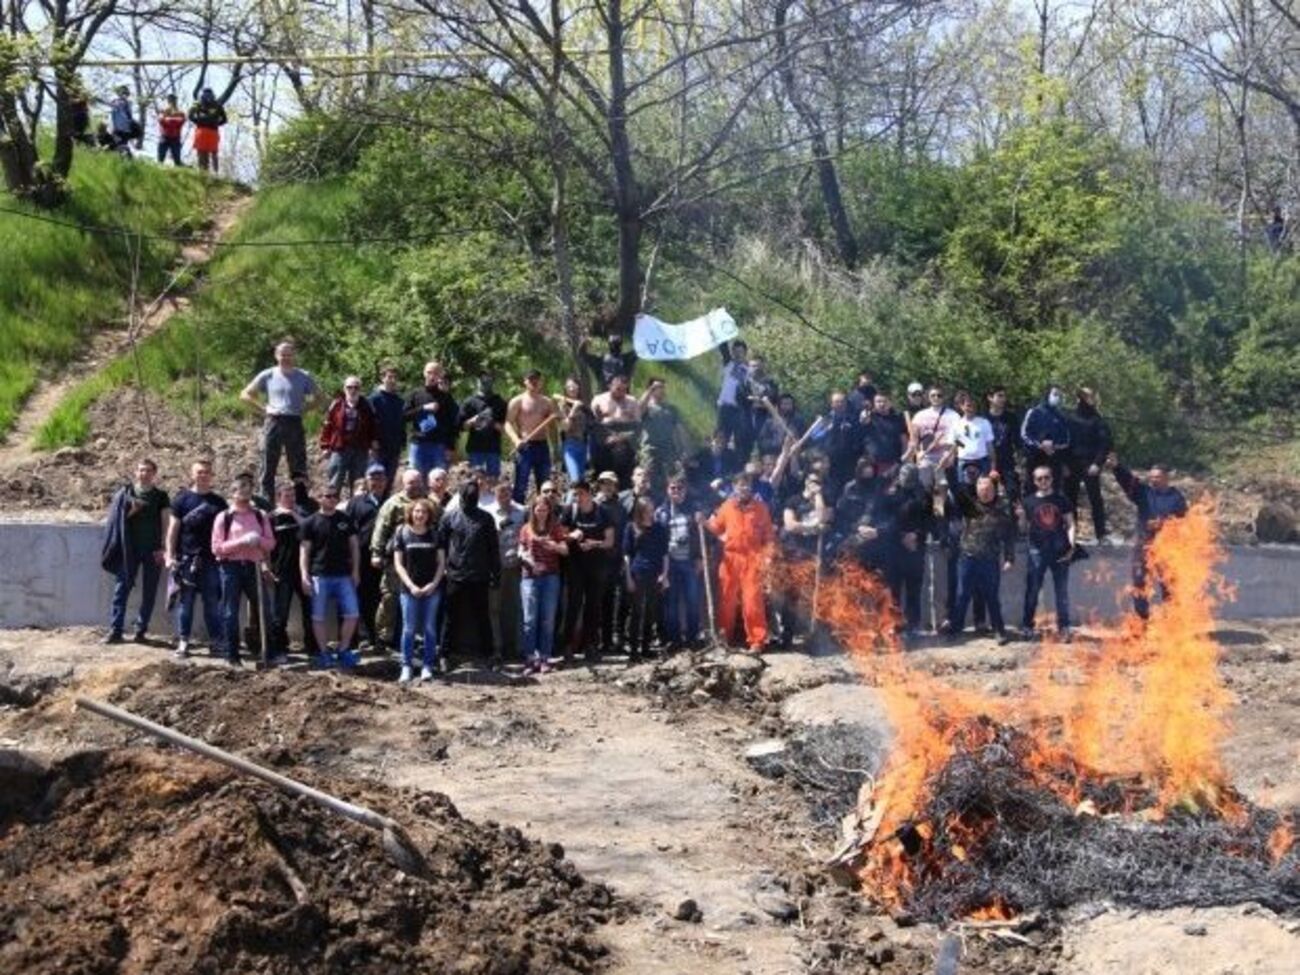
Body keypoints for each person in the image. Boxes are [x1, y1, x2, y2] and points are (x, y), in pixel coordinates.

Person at [1108, 454, 1188, 619]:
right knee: (1139, 583)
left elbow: (1183, 522)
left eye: (1157, 477)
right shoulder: (1143, 492)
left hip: (1167, 548)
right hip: (1144, 547)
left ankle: (1170, 621)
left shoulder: (1177, 498)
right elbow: (1128, 481)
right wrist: (1117, 467)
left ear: (1166, 477)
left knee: (1169, 585)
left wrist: (1164, 524)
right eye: (1151, 477)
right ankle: (1142, 619)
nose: (1153, 480)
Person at [241, 341, 319, 503]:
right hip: (273, 421)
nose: (286, 358)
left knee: (298, 464)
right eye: (282, 354)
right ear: (276, 356)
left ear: (294, 356)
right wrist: (263, 409)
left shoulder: (303, 376)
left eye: (289, 354)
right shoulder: (268, 374)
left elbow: (321, 397)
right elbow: (245, 394)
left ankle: (300, 501)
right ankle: (266, 502)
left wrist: (304, 409)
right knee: (267, 462)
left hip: (294, 421)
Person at [102, 459, 170, 645]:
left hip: (152, 550)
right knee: (121, 590)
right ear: (136, 472)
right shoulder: (125, 494)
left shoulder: (161, 496)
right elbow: (117, 520)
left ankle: (141, 631)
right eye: (141, 470)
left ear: (154, 473)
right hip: (128, 550)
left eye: (148, 470)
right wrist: (133, 510)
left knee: (149, 592)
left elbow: (166, 522)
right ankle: (115, 631)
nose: (144, 474)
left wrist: (164, 548)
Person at [707, 473, 774, 653]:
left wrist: (767, 557)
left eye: (746, 485)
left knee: (752, 601)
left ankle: (757, 641)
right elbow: (716, 527)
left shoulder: (761, 508)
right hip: (730, 559)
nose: (743, 488)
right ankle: (724, 638)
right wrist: (705, 522)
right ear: (734, 488)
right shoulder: (727, 507)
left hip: (753, 559)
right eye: (739, 485)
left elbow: (768, 536)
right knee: (726, 600)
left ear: (750, 487)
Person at [211, 477, 275, 666]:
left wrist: (258, 541)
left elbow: (271, 543)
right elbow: (216, 548)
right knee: (230, 611)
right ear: (233, 493)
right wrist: (242, 542)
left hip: (254, 566)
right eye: (240, 489)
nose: (245, 493)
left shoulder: (259, 516)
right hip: (230, 568)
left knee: (264, 610)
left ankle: (266, 653)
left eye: (248, 489)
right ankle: (232, 655)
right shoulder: (224, 517)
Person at [166, 460, 227, 658]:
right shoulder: (181, 500)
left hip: (212, 561)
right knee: (186, 603)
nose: (204, 475)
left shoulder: (219, 503)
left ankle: (217, 642)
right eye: (200, 472)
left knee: (212, 603)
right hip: (186, 560)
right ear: (192, 475)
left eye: (207, 472)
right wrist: (169, 555)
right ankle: (183, 641)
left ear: (212, 475)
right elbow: (172, 531)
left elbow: (226, 531)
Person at [947, 475, 1016, 644]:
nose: (984, 492)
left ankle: (999, 631)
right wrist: (949, 468)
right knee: (962, 595)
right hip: (967, 558)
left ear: (994, 490)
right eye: (981, 488)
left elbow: (1009, 537)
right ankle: (956, 630)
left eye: (987, 488)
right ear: (976, 490)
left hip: (989, 561)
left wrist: (1009, 558)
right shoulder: (971, 506)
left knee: (992, 597)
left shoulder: (1002, 509)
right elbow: (955, 487)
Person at [300, 484, 362, 668]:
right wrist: (304, 575)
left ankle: (343, 650)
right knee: (318, 617)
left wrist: (356, 571)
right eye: (328, 496)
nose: (332, 499)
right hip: (319, 575)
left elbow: (354, 547)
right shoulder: (309, 522)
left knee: (352, 614)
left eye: (335, 496)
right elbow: (304, 551)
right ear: (319, 498)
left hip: (344, 575)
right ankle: (324, 653)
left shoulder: (345, 519)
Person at [438, 479, 501, 663]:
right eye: (468, 494)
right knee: (450, 617)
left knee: (483, 616)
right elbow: (440, 545)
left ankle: (489, 654)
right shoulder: (449, 517)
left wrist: (495, 574)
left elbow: (493, 549)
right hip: (455, 575)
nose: (471, 497)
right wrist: (441, 570)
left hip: (479, 575)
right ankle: (444, 654)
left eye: (474, 495)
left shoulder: (486, 518)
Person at [371, 469, 426, 651]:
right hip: (396, 560)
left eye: (418, 482)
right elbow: (381, 529)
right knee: (390, 598)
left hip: (421, 562)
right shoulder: (392, 504)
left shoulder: (428, 503)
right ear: (403, 484)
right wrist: (376, 553)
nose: (415, 486)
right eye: (411, 483)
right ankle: (383, 638)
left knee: (418, 600)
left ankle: (416, 639)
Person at [392, 498, 446, 683]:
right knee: (408, 629)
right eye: (416, 511)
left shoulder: (435, 534)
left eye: (423, 512)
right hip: (409, 590)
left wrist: (434, 584)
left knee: (430, 628)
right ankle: (406, 665)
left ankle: (427, 666)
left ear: (428, 514)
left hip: (432, 590)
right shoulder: (402, 533)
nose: (419, 515)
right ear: (411, 513)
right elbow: (398, 564)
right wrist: (411, 586)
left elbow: (441, 563)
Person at [561, 479, 615, 661]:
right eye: (574, 494)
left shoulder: (602, 513)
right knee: (573, 605)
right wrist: (571, 536)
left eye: (580, 494)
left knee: (593, 606)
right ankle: (567, 645)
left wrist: (594, 544)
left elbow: (610, 541)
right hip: (575, 566)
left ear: (589, 493)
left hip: (597, 566)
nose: (577, 498)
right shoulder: (570, 511)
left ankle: (590, 645)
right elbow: (561, 535)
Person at [1020, 466, 1076, 641]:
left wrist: (1071, 546)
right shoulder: (1027, 501)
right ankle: (1027, 626)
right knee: (1032, 590)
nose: (1043, 481)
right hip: (1037, 551)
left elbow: (1071, 524)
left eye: (1046, 477)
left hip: (1060, 551)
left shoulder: (1061, 499)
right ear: (1034, 481)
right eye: (1039, 479)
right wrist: (1020, 517)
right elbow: (1023, 529)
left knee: (1062, 592)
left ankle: (1064, 627)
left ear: (1052, 479)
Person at [266, 482, 318, 662]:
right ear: (278, 497)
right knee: (280, 613)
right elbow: (265, 547)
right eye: (286, 496)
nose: (290, 499)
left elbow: (310, 530)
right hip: (282, 571)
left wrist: (293, 514)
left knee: (309, 610)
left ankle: (312, 648)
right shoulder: (271, 518)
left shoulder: (303, 515)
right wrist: (267, 568)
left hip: (304, 571)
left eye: (292, 496)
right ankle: (280, 649)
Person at [779, 472, 831, 650]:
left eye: (818, 482)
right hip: (795, 553)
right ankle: (787, 635)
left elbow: (823, 517)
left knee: (816, 595)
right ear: (805, 482)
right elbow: (790, 525)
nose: (814, 484)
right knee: (792, 595)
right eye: (811, 481)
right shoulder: (793, 501)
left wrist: (818, 496)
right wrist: (811, 527)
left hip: (814, 553)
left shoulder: (822, 500)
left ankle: (815, 634)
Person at [519, 493, 569, 674]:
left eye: (545, 509)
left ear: (550, 510)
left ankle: (545, 657)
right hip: (530, 576)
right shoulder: (526, 528)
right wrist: (527, 558)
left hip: (550, 576)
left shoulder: (555, 527)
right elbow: (521, 549)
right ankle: (530, 657)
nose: (541, 513)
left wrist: (553, 545)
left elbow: (565, 550)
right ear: (533, 510)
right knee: (529, 619)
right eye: (538, 509)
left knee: (548, 619)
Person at [656, 476, 702, 649]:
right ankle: (674, 639)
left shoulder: (694, 510)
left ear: (685, 490)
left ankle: (692, 638)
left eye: (680, 488)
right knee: (671, 602)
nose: (676, 491)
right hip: (670, 564)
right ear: (668, 490)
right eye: (673, 488)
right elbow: (658, 539)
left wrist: (699, 558)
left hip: (690, 562)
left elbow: (699, 536)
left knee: (692, 601)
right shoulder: (661, 512)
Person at [482, 480, 525, 664]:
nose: (504, 495)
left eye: (507, 491)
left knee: (516, 606)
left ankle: (516, 647)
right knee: (494, 608)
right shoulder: (487, 513)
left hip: (516, 566)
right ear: (494, 493)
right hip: (495, 566)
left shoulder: (522, 512)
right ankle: (497, 648)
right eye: (500, 492)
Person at [345, 464, 388, 648]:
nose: (376, 482)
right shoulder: (356, 502)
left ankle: (383, 637)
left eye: (380, 478)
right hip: (361, 558)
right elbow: (347, 530)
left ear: (385, 481)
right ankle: (364, 636)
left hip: (387, 558)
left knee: (383, 597)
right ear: (367, 480)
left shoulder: (391, 500)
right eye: (373, 478)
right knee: (362, 596)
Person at [624, 497, 669, 661]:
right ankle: (634, 650)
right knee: (636, 612)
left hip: (655, 574)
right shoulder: (631, 527)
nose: (650, 512)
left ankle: (645, 648)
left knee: (651, 611)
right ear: (640, 510)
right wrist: (628, 577)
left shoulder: (659, 528)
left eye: (652, 508)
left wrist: (664, 574)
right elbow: (627, 555)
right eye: (647, 509)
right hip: (638, 573)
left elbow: (664, 554)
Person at [1065, 387, 1112, 542]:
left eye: (1091, 396)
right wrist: (1064, 464)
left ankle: (1101, 534)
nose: (1089, 400)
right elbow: (1064, 443)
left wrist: (1097, 464)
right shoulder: (1069, 418)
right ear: (1079, 399)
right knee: (1070, 499)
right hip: (1071, 464)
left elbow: (1105, 444)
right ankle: (1072, 534)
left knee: (1096, 500)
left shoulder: (1097, 420)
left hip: (1090, 465)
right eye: (1086, 397)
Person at [319, 376, 378, 494]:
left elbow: (373, 426)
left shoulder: (367, 406)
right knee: (334, 482)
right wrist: (325, 446)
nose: (353, 390)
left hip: (360, 449)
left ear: (360, 389)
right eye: (349, 387)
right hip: (339, 448)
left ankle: (355, 509)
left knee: (358, 484)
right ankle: (331, 509)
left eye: (356, 387)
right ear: (344, 388)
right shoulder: (336, 404)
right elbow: (327, 426)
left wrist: (373, 443)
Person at [505, 369, 557, 502]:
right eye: (530, 379)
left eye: (537, 379)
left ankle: (545, 514)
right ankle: (518, 516)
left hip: (542, 446)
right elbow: (508, 424)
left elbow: (552, 426)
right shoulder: (517, 401)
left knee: (544, 484)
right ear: (525, 382)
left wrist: (555, 448)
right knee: (520, 484)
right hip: (525, 447)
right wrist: (516, 440)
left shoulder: (547, 402)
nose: (534, 382)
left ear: (541, 382)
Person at [404, 361, 460, 478]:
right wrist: (423, 408)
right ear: (424, 373)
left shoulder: (446, 396)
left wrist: (451, 447)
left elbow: (454, 422)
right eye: (429, 372)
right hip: (418, 444)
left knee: (437, 481)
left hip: (439, 445)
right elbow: (404, 416)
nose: (432, 376)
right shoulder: (415, 393)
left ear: (440, 375)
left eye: (436, 373)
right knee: (414, 479)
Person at [638, 376, 688, 496]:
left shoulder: (671, 409)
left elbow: (679, 430)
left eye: (662, 387)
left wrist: (684, 449)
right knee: (650, 481)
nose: (661, 390)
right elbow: (638, 410)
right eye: (657, 387)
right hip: (651, 451)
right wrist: (649, 392)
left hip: (669, 451)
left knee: (672, 482)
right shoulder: (647, 407)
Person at [591, 374, 642, 488]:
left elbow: (638, 426)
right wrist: (605, 437)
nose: (621, 392)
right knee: (605, 477)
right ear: (610, 386)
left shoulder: (632, 401)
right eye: (618, 389)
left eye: (624, 390)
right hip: (606, 442)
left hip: (626, 443)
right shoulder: (599, 400)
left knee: (625, 479)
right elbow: (594, 424)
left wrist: (622, 437)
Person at [812, 391, 863, 502]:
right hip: (829, 464)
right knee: (831, 494)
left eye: (842, 401)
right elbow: (814, 437)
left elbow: (860, 438)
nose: (839, 404)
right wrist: (827, 429)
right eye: (836, 402)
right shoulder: (825, 419)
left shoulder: (853, 419)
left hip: (849, 463)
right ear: (831, 404)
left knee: (849, 493)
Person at [1020, 384, 1072, 491]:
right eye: (1055, 394)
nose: (1057, 397)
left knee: (1054, 489)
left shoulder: (1061, 416)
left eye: (1059, 395)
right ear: (1047, 394)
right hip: (1034, 458)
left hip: (1054, 459)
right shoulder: (1034, 412)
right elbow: (1024, 434)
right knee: (1032, 488)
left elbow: (1066, 439)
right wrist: (1040, 444)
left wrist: (1053, 445)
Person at [460, 372, 508, 478]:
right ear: (477, 382)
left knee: (493, 481)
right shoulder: (469, 402)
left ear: (493, 382)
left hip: (493, 450)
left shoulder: (500, 402)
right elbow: (462, 427)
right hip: (475, 449)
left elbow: (506, 428)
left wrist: (493, 423)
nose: (485, 382)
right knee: (475, 481)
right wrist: (473, 421)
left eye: (488, 379)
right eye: (482, 380)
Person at [368, 364, 406, 487]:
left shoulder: (400, 401)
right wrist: (372, 440)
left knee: (389, 481)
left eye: (395, 377)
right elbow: (369, 422)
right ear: (382, 378)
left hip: (394, 447)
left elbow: (401, 423)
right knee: (375, 479)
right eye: (389, 377)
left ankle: (385, 505)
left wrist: (402, 442)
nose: (392, 380)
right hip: (378, 447)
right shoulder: (374, 399)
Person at [716, 339, 752, 459]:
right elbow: (723, 347)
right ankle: (720, 461)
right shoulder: (729, 363)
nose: (737, 354)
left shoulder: (749, 370)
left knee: (739, 440)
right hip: (724, 407)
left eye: (740, 351)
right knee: (721, 437)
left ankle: (737, 465)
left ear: (745, 353)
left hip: (738, 409)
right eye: (735, 351)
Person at [986, 386, 1022, 502]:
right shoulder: (982, 418)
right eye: (999, 396)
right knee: (989, 494)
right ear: (990, 398)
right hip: (987, 461)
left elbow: (1018, 441)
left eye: (1004, 396)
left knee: (1013, 492)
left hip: (1007, 460)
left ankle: (1014, 519)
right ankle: (992, 520)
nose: (1003, 399)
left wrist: (1020, 462)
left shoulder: (1011, 417)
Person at [860, 392, 909, 476]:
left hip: (894, 463)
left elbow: (904, 440)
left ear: (890, 403)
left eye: (885, 401)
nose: (882, 404)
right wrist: (864, 417)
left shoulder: (898, 418)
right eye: (878, 401)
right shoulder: (869, 416)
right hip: (873, 464)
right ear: (874, 403)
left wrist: (904, 459)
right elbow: (863, 422)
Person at [556, 376, 592, 484]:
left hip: (583, 445)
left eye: (574, 386)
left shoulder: (584, 404)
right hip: (570, 445)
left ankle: (574, 500)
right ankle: (569, 501)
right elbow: (565, 427)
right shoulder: (562, 405)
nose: (571, 389)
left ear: (579, 387)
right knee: (575, 480)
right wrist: (574, 409)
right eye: (569, 387)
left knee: (581, 481)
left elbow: (590, 427)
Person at [953, 391, 996, 476]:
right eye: (968, 406)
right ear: (962, 407)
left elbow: (989, 445)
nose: (971, 409)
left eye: (973, 406)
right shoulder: (956, 424)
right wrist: (966, 446)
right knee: (965, 487)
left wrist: (993, 465)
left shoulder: (984, 423)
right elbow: (954, 444)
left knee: (982, 487)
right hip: (964, 460)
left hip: (982, 460)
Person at [188, 87, 228, 173]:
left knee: (201, 152)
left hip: (201, 130)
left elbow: (190, 116)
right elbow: (224, 120)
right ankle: (216, 173)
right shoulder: (217, 105)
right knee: (214, 152)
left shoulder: (197, 103)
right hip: (213, 131)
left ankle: (203, 172)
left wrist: (198, 121)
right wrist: (217, 123)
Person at [109, 85, 140, 155]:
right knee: (117, 146)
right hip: (116, 129)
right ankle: (126, 157)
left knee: (121, 145)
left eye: (125, 93)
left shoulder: (127, 103)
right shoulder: (115, 101)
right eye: (122, 92)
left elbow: (119, 106)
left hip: (125, 130)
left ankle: (128, 157)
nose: (124, 94)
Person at [155, 94, 186, 165]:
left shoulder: (180, 112)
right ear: (168, 101)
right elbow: (161, 120)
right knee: (160, 159)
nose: (172, 102)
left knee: (177, 160)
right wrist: (172, 120)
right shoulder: (163, 111)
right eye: (170, 100)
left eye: (174, 100)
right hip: (165, 136)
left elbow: (182, 121)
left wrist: (169, 120)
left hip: (175, 137)